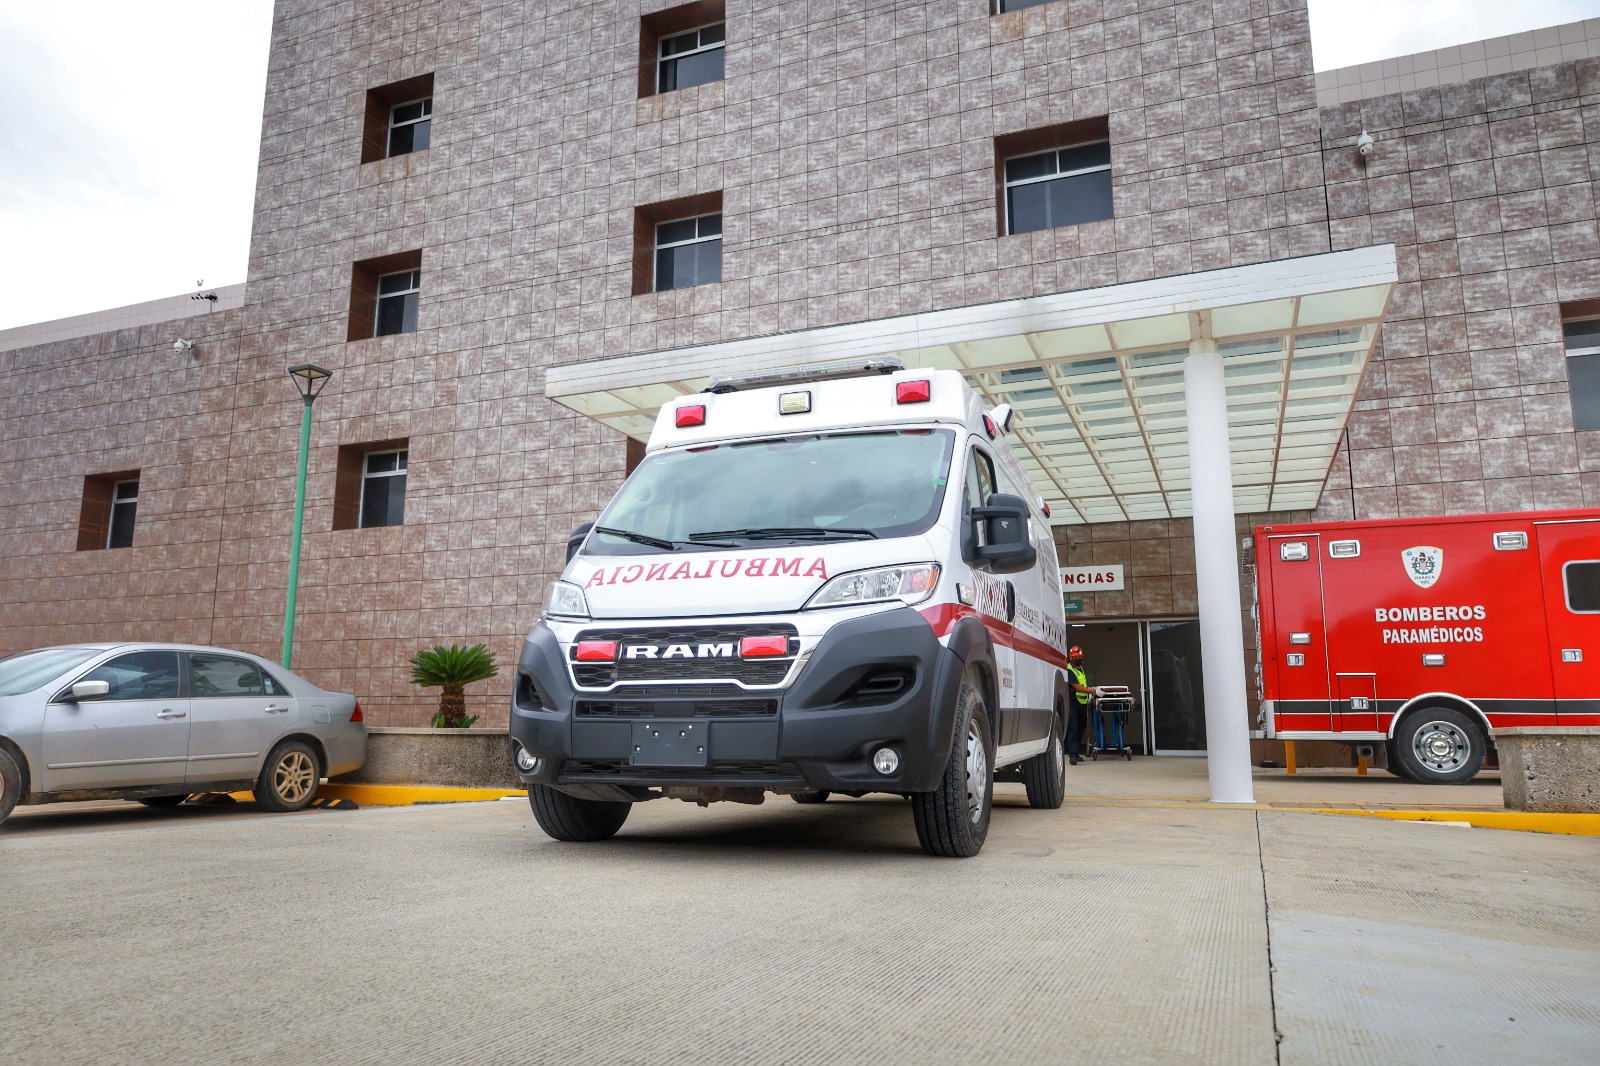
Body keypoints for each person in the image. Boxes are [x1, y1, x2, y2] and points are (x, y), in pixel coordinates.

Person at [1065, 645, 1093, 765]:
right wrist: (1093, 691)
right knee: (1073, 727)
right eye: (1075, 657)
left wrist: (1090, 693)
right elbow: (1076, 686)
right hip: (1072, 702)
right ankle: (1072, 755)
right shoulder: (1069, 669)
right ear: (1071, 658)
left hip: (1081, 702)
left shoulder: (1081, 669)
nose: (1078, 658)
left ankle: (1075, 753)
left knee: (1081, 726)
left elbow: (1083, 685)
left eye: (1079, 656)